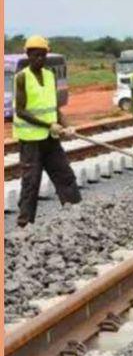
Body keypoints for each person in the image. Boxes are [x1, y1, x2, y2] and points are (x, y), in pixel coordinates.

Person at [13, 35, 81, 227]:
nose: (40, 59)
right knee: (31, 183)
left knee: (65, 176)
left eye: (43, 55)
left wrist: (66, 124)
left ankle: (77, 215)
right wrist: (48, 125)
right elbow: (21, 111)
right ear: (28, 55)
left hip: (50, 139)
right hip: (31, 141)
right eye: (36, 55)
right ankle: (25, 225)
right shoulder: (21, 78)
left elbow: (54, 109)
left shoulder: (50, 76)